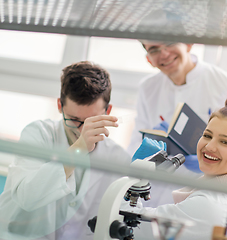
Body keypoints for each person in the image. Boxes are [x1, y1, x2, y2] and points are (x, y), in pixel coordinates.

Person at [128, 10, 227, 207]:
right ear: (148, 59)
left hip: (203, 198)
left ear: (188, 43)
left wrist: (211, 157)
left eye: (169, 43)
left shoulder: (224, 83)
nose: (164, 54)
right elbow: (135, 142)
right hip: (155, 198)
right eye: (154, 49)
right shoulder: (147, 88)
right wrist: (147, 150)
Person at [0, 61, 131, 240]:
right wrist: (79, 149)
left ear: (108, 111)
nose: (81, 129)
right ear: (60, 105)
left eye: (91, 120)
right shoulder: (38, 134)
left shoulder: (117, 158)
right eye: (74, 119)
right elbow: (28, 197)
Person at [122, 93, 227, 240]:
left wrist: (135, 176)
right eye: (207, 136)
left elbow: (129, 227)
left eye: (225, 142)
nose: (209, 146)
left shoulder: (206, 204)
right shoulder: (220, 197)